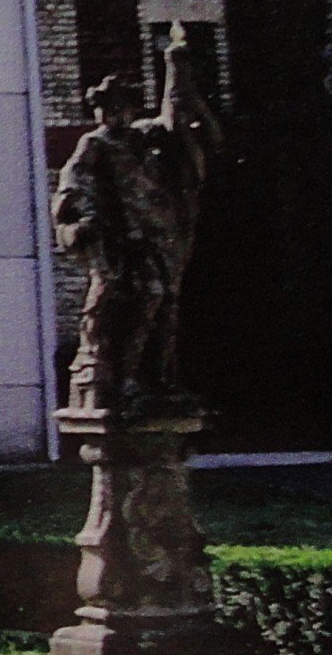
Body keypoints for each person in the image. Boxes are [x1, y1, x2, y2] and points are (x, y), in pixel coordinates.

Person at [52, 26, 221, 416]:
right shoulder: (95, 144)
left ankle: (154, 376)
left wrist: (176, 66)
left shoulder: (144, 137)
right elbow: (73, 185)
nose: (113, 116)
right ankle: (117, 374)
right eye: (105, 110)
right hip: (120, 241)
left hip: (156, 237)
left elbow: (177, 119)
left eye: (120, 108)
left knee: (163, 302)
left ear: (130, 109)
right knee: (131, 295)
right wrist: (84, 221)